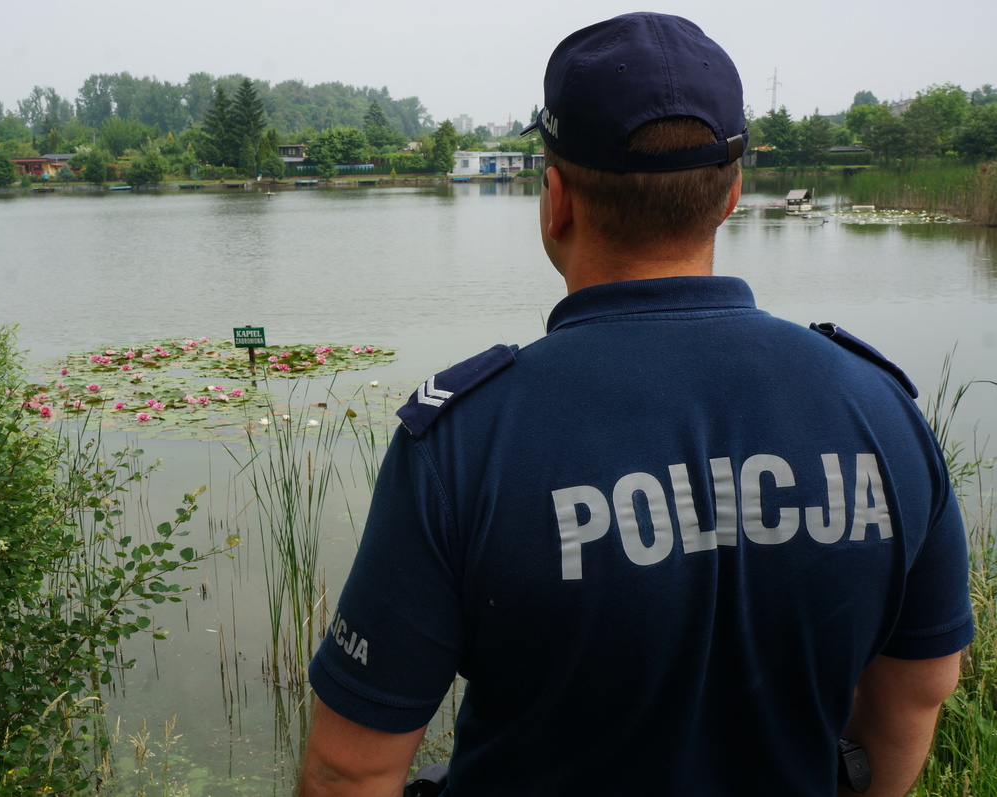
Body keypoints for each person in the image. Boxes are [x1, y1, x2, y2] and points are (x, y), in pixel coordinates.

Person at [300, 12, 973, 796]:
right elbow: (916, 693)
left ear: (554, 199)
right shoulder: (879, 410)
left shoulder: (464, 441)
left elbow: (351, 769)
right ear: (730, 195)